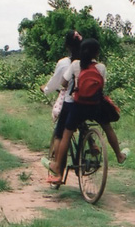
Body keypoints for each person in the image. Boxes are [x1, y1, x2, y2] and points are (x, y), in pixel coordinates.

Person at [46, 37, 128, 184]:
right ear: (96, 53)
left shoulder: (76, 64)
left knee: (66, 134)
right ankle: (119, 155)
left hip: (79, 107)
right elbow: (101, 86)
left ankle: (58, 168)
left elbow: (64, 83)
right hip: (96, 106)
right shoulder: (101, 68)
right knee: (108, 128)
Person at [42, 30, 82, 162]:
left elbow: (58, 82)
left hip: (71, 101)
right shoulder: (90, 62)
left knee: (60, 133)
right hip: (91, 101)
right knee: (82, 120)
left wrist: (46, 89)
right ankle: (92, 142)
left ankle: (57, 167)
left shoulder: (66, 63)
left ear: (67, 46)